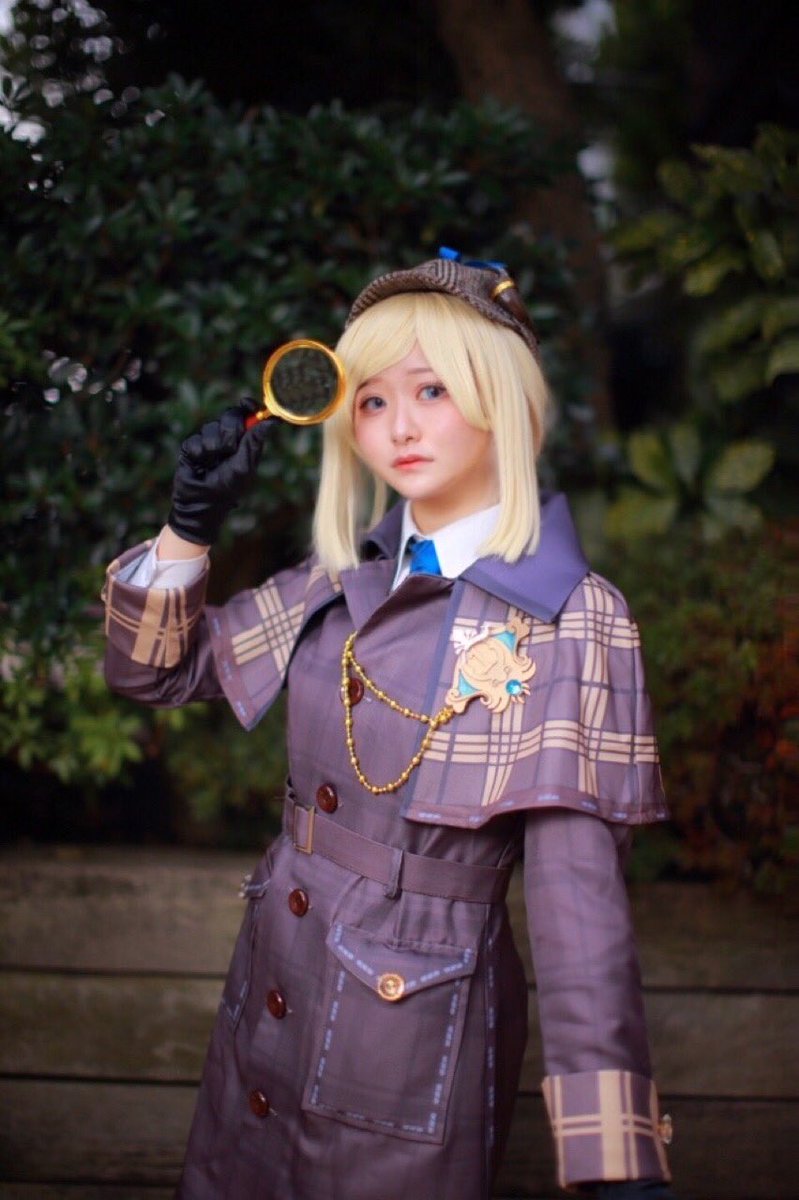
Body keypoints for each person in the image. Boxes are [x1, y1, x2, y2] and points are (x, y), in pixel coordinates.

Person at [103, 250, 677, 1200]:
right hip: (268, 999)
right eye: (370, 401)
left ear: (502, 398)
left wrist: (611, 1154)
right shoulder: (343, 576)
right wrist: (187, 530)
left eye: (431, 390)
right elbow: (154, 671)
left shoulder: (569, 615)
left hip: (409, 1033)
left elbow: (578, 906)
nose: (398, 426)